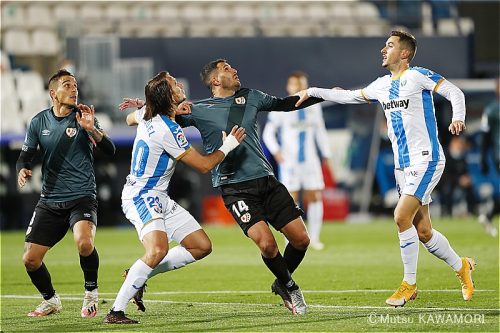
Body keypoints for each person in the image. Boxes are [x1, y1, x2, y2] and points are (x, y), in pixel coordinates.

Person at [122, 60, 325, 315]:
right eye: (227, 69)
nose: (235, 70)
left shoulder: (252, 97)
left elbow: (286, 104)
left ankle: (281, 282)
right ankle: (291, 286)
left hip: (266, 180)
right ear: (216, 80)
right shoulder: (195, 110)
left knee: (301, 240)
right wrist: (143, 107)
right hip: (235, 188)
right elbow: (150, 119)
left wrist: (326, 95)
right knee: (267, 245)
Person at [295, 30, 475, 307]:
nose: (383, 49)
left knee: (401, 216)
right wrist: (312, 91)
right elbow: (348, 96)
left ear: (404, 53)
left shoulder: (416, 76)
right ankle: (461, 265)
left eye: (389, 45)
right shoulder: (381, 85)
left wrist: (458, 118)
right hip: (403, 166)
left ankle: (409, 284)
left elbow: (454, 91)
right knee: (423, 230)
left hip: (426, 158)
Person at [104, 71, 245, 324]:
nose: (180, 85)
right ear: (168, 97)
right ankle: (115, 311)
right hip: (142, 195)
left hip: (159, 196)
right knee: (158, 249)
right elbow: (203, 165)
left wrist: (144, 105)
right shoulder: (168, 130)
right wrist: (228, 145)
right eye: (174, 85)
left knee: (201, 246)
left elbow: (128, 119)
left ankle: (137, 275)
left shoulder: (148, 114)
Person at [16, 69, 116, 317]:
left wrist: (91, 129)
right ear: (53, 93)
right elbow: (24, 157)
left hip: (81, 195)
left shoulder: (84, 117)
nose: (74, 89)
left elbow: (110, 149)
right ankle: (51, 300)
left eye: (75, 85)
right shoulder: (39, 122)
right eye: (67, 85)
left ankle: (91, 293)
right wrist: (23, 170)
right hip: (50, 200)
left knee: (84, 243)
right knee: (30, 260)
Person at [262, 71, 331, 250]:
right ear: (289, 86)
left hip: (310, 160)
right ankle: (291, 238)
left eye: (301, 83)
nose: (298, 87)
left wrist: (326, 154)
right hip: (290, 161)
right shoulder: (282, 107)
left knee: (315, 195)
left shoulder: (313, 107)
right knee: (290, 200)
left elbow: (320, 132)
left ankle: (314, 238)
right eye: (295, 84)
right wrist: (277, 152)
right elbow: (268, 133)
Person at [478, 77, 499, 236]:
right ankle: (488, 215)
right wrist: (483, 157)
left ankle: (488, 215)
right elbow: (485, 136)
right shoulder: (491, 110)